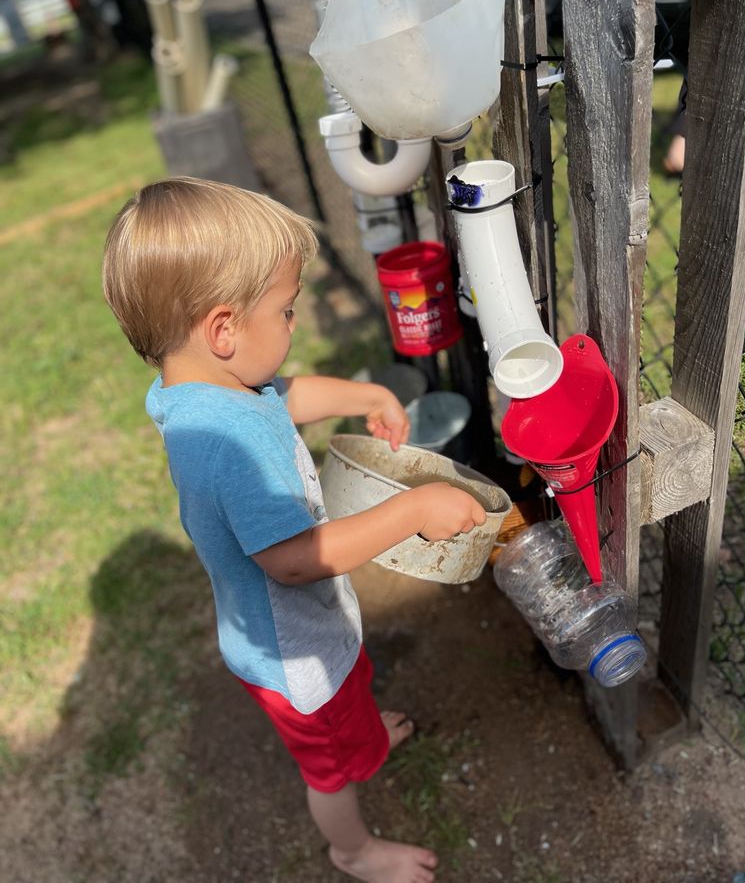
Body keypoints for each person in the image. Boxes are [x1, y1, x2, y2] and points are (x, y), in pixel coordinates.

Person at [102, 176, 487, 883]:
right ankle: (355, 851)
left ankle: (365, 735)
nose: (294, 321)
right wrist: (413, 508)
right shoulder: (225, 451)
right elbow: (295, 561)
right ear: (223, 329)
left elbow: (288, 397)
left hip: (303, 634)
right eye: (285, 310)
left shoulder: (207, 392)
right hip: (297, 657)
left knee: (355, 693)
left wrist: (370, 393)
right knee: (331, 771)